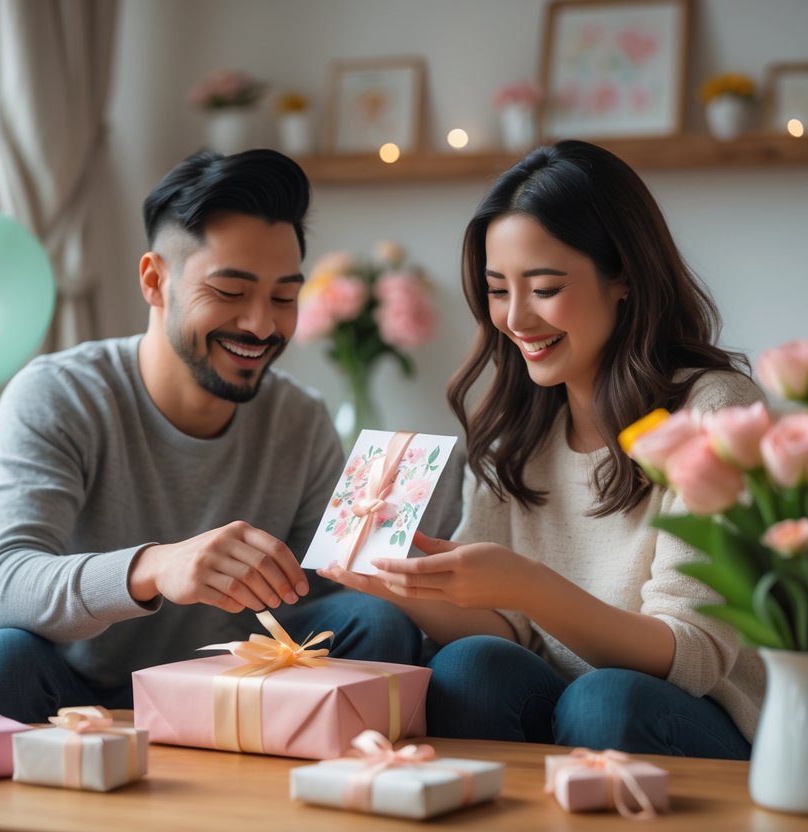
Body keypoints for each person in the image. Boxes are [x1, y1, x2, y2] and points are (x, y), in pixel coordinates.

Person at [0, 149, 422, 722]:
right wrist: (155, 567)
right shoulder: (60, 394)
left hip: (231, 691)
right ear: (154, 280)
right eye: (231, 292)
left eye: (284, 297)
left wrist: (391, 545)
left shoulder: (300, 419)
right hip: (69, 690)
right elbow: (2, 587)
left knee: (379, 623)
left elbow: (325, 601)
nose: (262, 325)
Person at [320, 140, 764, 760]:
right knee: (470, 666)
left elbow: (691, 657)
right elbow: (509, 631)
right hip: (565, 703)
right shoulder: (516, 427)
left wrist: (529, 585)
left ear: (625, 280)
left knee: (604, 700)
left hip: (691, 716)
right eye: (498, 289)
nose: (516, 318)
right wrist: (394, 585)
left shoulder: (714, 410)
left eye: (546, 288)